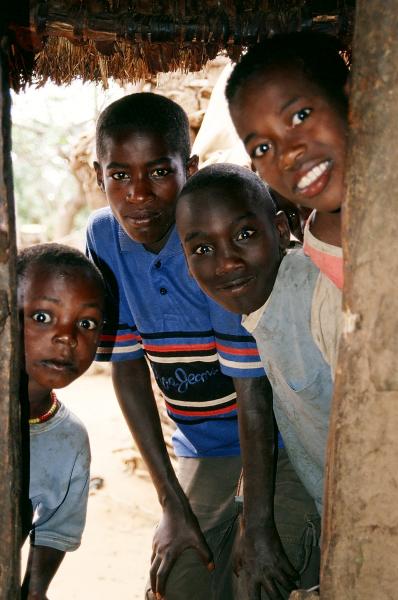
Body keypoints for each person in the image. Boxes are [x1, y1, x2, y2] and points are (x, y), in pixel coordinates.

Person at [86, 92, 314, 600]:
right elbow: (126, 367)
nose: (138, 195)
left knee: (259, 578)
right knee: (177, 583)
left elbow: (252, 395)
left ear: (187, 168)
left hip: (274, 445)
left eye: (159, 172)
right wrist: (171, 506)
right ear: (97, 173)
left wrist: (256, 526)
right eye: (119, 175)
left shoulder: (210, 244)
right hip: (201, 449)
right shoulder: (104, 238)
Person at [176, 163, 342, 593]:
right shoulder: (258, 314)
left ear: (281, 227)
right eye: (202, 249)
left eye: (245, 235)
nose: (227, 261)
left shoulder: (317, 299)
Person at [225, 31, 350, 289]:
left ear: (353, 100)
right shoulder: (323, 244)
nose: (287, 155)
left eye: (300, 116)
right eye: (261, 148)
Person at [18, 243, 105, 599]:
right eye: (42, 317)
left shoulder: (68, 440)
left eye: (86, 323)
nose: (67, 338)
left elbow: (55, 529)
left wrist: (34, 590)